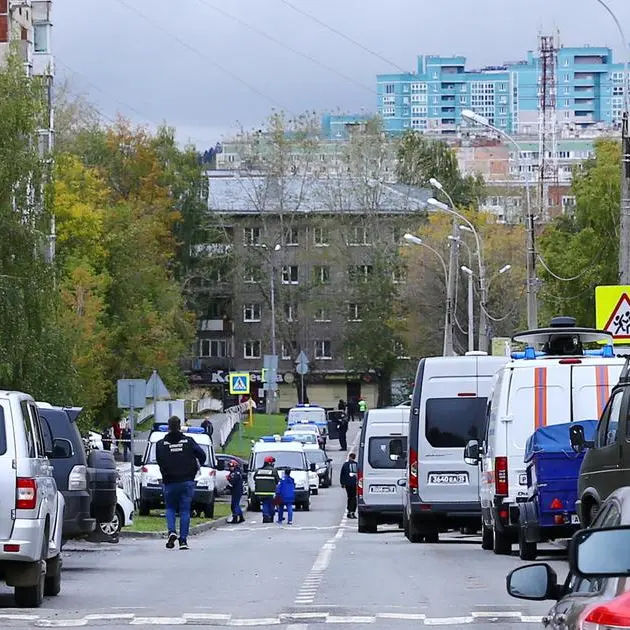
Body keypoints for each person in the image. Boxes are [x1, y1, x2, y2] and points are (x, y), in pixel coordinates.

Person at [155, 415, 206, 550]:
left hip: (169, 481)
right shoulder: (188, 441)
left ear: (168, 427)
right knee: (185, 510)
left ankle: (172, 531)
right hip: (187, 481)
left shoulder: (160, 444)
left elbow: (159, 460)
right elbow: (202, 455)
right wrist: (195, 468)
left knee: (170, 508)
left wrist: (165, 472)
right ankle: (183, 541)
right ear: (179, 426)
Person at [253, 456, 280, 523]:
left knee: (265, 503)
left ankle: (265, 516)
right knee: (271, 504)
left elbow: (254, 478)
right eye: (273, 462)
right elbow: (277, 481)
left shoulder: (258, 470)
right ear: (270, 462)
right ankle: (270, 516)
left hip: (260, 493)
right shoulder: (273, 471)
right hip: (270, 492)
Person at [340, 452, 359, 519]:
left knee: (349, 497)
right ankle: (352, 511)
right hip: (354, 484)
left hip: (348, 484)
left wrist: (342, 483)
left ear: (349, 457)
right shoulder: (357, 465)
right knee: (354, 497)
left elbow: (342, 474)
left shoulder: (345, 465)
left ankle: (349, 510)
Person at [227, 460, 245, 524]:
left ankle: (235, 517)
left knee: (235, 505)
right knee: (235, 504)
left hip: (237, 491)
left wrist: (228, 486)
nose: (230, 468)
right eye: (229, 466)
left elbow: (233, 482)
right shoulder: (235, 472)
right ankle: (241, 517)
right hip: (236, 490)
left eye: (231, 466)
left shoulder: (236, 473)